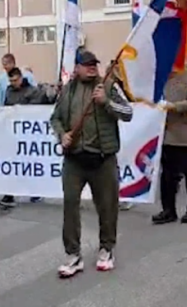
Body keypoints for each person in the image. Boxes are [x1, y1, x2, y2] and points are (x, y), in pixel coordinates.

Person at [50, 50, 133, 278]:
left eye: (94, 64)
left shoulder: (108, 86)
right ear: (76, 67)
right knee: (70, 206)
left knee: (107, 207)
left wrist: (106, 103)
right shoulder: (67, 90)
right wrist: (62, 135)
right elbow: (55, 118)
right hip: (74, 159)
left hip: (102, 159)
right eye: (86, 64)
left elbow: (128, 112)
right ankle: (73, 255)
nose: (92, 68)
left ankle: (106, 249)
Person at [151, 63, 187, 225]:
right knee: (167, 174)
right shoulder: (160, 73)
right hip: (165, 132)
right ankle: (168, 210)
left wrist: (175, 107)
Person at [0, 67, 46, 208]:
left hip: (26, 136)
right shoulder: (9, 91)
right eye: (11, 81)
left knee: (27, 164)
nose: (13, 83)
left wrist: (21, 111)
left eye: (15, 80)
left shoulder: (32, 91)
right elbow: (6, 108)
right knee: (13, 165)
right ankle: (9, 194)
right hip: (12, 134)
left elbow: (36, 110)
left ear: (20, 77)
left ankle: (35, 192)